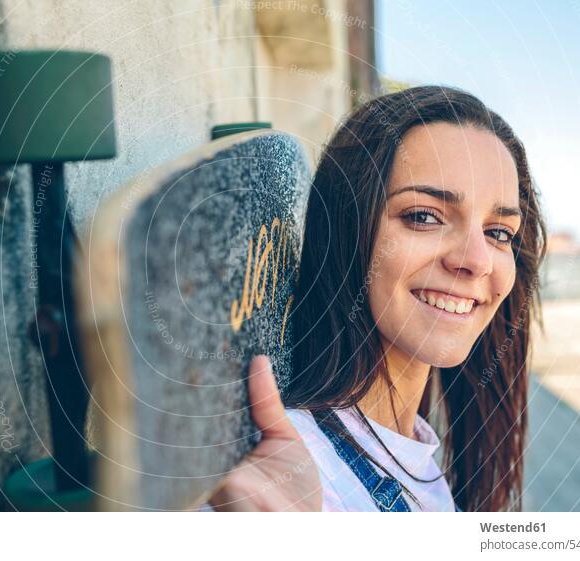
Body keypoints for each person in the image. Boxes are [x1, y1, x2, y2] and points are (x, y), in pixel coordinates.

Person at [208, 85, 546, 512]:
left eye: (498, 232)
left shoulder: (416, 457)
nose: (477, 261)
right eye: (424, 216)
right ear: (347, 230)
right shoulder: (287, 477)